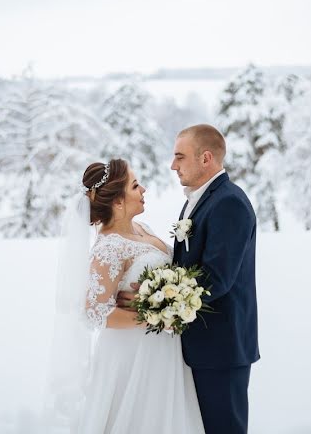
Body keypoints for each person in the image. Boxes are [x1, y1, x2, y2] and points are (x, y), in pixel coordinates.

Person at [48, 158, 204, 433]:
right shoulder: (108, 249)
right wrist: (154, 315)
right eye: (135, 185)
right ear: (118, 202)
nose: (143, 189)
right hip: (132, 355)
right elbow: (94, 311)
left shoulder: (143, 230)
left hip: (165, 350)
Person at [120, 124, 259, 434]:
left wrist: (151, 301)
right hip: (198, 344)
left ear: (205, 158)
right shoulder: (199, 199)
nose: (173, 166)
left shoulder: (230, 203)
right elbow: (192, 261)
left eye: (180, 157)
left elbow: (215, 278)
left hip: (221, 347)